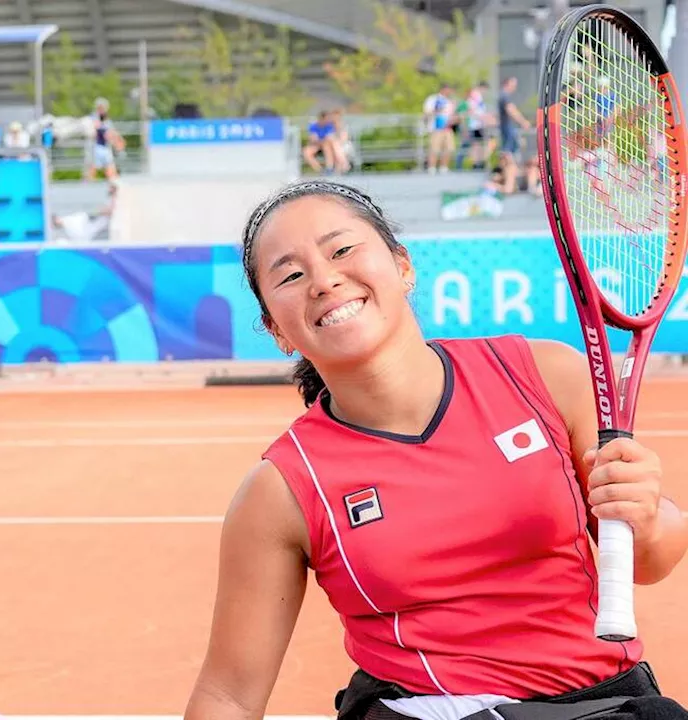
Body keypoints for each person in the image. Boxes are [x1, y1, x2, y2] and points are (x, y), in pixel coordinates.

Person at [184, 180, 688, 720]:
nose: (325, 279)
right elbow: (229, 695)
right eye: (290, 274)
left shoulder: (548, 375)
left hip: (603, 705)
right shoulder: (281, 490)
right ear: (275, 330)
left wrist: (647, 516)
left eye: (342, 250)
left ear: (403, 267)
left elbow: (648, 558)